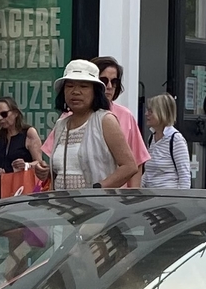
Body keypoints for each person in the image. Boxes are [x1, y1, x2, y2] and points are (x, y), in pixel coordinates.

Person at [37, 58, 140, 193]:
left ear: (95, 91)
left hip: (96, 207)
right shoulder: (61, 124)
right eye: (70, 86)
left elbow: (129, 166)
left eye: (83, 86)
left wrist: (97, 189)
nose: (75, 91)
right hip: (62, 207)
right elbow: (62, 171)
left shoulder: (105, 120)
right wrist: (45, 172)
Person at [95, 55, 149, 174]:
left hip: (117, 191)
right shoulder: (70, 117)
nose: (109, 86)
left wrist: (133, 192)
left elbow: (137, 162)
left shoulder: (125, 115)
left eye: (114, 82)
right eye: (103, 81)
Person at [0, 97, 41, 195]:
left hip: (22, 188)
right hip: (2, 189)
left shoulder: (28, 133)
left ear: (15, 113)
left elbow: (40, 163)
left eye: (4, 114)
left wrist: (26, 165)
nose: (0, 119)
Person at [140, 92, 192, 189]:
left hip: (169, 200)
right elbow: (148, 173)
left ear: (161, 113)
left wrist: (180, 201)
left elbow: (184, 177)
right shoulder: (151, 138)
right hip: (152, 198)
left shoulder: (176, 140)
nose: (146, 114)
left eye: (151, 111)